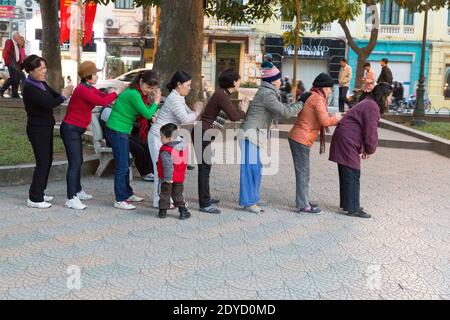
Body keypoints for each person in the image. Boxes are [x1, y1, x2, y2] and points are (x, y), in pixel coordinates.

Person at [238, 61, 303, 214]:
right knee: (250, 169)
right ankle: (248, 202)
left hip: (254, 134)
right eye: (278, 78)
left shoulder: (268, 92)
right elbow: (286, 112)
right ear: (273, 80)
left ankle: (253, 198)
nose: (280, 80)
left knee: (257, 168)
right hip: (250, 134)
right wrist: (302, 103)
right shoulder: (267, 94)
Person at [329, 83, 393, 219]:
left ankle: (348, 205)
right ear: (384, 96)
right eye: (390, 97)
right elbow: (370, 131)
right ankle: (353, 208)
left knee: (348, 172)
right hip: (347, 140)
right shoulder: (372, 106)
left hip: (346, 138)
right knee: (352, 172)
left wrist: (366, 148)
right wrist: (370, 149)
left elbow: (365, 128)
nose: (391, 100)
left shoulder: (369, 103)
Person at [60, 61, 118, 210]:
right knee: (74, 164)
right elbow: (101, 101)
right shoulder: (82, 90)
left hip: (75, 130)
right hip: (70, 129)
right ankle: (71, 198)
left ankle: (77, 191)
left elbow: (102, 94)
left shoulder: (88, 87)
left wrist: (110, 93)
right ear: (88, 76)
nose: (97, 76)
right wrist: (115, 93)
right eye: (95, 73)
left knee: (77, 162)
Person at [192, 68, 247, 214]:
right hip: (202, 133)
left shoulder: (222, 94)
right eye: (239, 79)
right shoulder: (221, 95)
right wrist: (243, 109)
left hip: (203, 133)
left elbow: (228, 113)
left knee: (206, 168)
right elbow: (235, 116)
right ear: (233, 81)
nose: (240, 82)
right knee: (204, 169)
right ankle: (204, 204)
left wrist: (238, 110)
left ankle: (205, 198)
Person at [22, 55, 74, 208]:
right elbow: (49, 103)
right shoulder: (30, 87)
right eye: (40, 69)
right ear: (30, 71)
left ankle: (40, 192)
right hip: (37, 129)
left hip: (45, 128)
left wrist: (65, 93)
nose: (44, 71)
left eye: (44, 68)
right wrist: (64, 95)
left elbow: (55, 95)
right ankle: (34, 198)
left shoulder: (40, 83)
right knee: (43, 162)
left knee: (47, 160)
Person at [148, 70, 203, 208]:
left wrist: (196, 112)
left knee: (171, 170)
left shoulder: (179, 97)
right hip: (158, 137)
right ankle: (158, 201)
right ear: (179, 84)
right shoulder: (174, 98)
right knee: (160, 170)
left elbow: (188, 113)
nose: (190, 88)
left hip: (168, 138)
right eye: (188, 85)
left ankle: (171, 198)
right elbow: (185, 119)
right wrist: (197, 112)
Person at [288, 73, 342, 214]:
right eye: (329, 88)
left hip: (300, 137)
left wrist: (331, 118)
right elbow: (324, 121)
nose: (330, 91)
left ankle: (303, 200)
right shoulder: (318, 98)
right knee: (303, 173)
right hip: (301, 139)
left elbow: (320, 116)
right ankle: (303, 205)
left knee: (304, 172)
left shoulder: (313, 95)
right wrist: (336, 118)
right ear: (324, 88)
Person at [106, 70, 161, 210]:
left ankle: (127, 193)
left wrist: (151, 105)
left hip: (122, 130)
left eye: (152, 88)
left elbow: (145, 111)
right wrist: (156, 101)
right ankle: (119, 199)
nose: (149, 90)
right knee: (122, 166)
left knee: (125, 164)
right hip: (117, 129)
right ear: (141, 82)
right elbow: (148, 113)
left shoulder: (137, 93)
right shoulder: (133, 94)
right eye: (148, 87)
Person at [100, 105, 155, 182]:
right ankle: (145, 173)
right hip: (114, 139)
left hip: (123, 135)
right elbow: (119, 124)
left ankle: (151, 172)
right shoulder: (107, 110)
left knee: (145, 144)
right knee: (138, 149)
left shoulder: (115, 108)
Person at [157, 123, 191, 220]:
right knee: (178, 194)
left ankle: (162, 212)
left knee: (165, 194)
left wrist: (168, 178)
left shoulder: (166, 150)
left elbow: (168, 166)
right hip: (179, 177)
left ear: (170, 139)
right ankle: (183, 212)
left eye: (162, 136)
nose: (160, 138)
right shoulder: (184, 147)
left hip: (167, 178)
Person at [0, 32, 23, 98]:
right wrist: (8, 62)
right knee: (13, 78)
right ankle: (1, 90)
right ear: (14, 37)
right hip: (11, 63)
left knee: (17, 78)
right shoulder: (9, 41)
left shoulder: (17, 44)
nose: (19, 37)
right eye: (18, 36)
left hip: (17, 63)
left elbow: (18, 54)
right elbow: (6, 52)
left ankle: (14, 93)